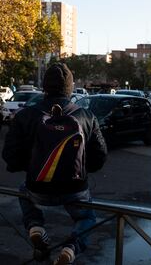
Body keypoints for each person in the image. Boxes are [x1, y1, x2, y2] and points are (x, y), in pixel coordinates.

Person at [2, 63, 107, 265]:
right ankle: (71, 247)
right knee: (87, 218)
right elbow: (100, 156)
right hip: (75, 189)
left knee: (24, 191)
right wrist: (80, 169)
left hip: (37, 187)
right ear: (70, 88)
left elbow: (10, 156)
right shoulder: (86, 116)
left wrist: (33, 166)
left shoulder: (25, 115)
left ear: (44, 87)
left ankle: (35, 227)